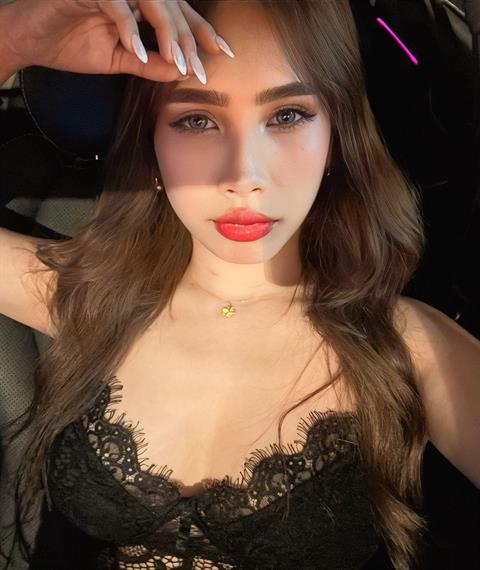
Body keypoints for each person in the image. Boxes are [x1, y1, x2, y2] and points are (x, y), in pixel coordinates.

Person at [0, 0, 479, 569]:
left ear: (337, 137)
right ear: (150, 144)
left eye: (287, 115)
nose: (243, 176)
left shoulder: (410, 348)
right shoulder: (90, 295)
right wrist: (11, 39)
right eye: (197, 120)